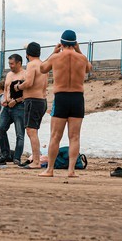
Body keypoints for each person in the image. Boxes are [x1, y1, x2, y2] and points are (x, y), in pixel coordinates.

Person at [38, 30, 93, 178]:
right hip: (77, 98)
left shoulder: (56, 57)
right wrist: (79, 50)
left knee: (55, 136)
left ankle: (50, 170)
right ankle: (71, 170)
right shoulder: (81, 58)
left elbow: (42, 69)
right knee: (74, 137)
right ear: (75, 43)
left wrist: (53, 52)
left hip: (61, 97)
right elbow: (89, 68)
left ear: (61, 43)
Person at [0, 54, 27, 167]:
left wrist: (16, 101)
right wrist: (5, 99)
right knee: (0, 129)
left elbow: (28, 93)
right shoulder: (9, 74)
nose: (10, 66)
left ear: (19, 63)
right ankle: (5, 155)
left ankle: (17, 158)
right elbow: (6, 89)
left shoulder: (25, 74)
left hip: (19, 106)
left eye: (12, 63)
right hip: (7, 107)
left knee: (19, 134)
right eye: (9, 63)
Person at [16, 42, 48, 168]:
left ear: (27, 54)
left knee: (31, 131)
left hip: (33, 100)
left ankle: (36, 161)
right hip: (41, 100)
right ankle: (36, 160)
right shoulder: (42, 64)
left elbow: (29, 83)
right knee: (33, 131)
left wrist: (18, 87)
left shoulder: (31, 64)